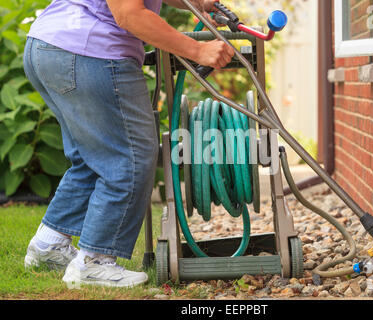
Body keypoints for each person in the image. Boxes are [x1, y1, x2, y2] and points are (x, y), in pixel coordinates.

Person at [23, 0, 234, 288]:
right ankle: (94, 262)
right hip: (90, 51)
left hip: (49, 45)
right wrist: (198, 50)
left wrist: (195, 3)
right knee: (131, 157)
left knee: (91, 156)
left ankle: (48, 245)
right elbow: (129, 13)